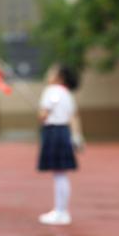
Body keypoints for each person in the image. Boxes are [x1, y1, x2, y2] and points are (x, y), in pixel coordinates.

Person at [37, 64, 83, 226]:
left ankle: (61, 212)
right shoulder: (67, 94)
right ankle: (61, 210)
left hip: (54, 132)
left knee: (59, 175)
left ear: (59, 76)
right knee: (61, 175)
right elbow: (73, 117)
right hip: (64, 132)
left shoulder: (51, 91)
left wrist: (41, 113)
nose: (48, 73)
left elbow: (43, 115)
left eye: (52, 71)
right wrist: (77, 137)